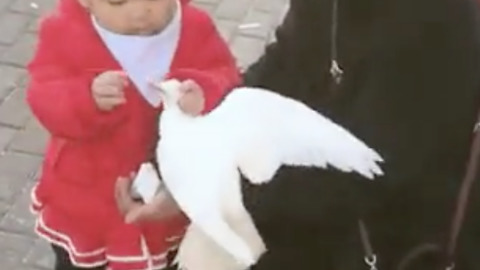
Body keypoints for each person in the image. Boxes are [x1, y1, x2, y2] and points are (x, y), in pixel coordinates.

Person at [240, 0, 480, 269]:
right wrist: (218, 113)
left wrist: (242, 183)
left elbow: (377, 169)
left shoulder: (437, 17)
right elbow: (284, 60)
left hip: (386, 231)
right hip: (319, 195)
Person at [26, 0, 239, 269]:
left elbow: (226, 76)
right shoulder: (64, 33)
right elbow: (43, 97)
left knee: (175, 259)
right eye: (117, 2)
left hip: (169, 203)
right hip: (89, 202)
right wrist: (84, 97)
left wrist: (205, 93)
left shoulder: (194, 27)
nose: (140, 11)